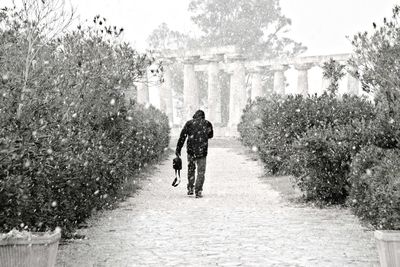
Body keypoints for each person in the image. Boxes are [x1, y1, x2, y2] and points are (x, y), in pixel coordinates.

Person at [175, 110, 213, 198]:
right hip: (202, 151)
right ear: (203, 116)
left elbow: (182, 136)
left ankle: (190, 188)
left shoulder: (189, 123)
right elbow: (211, 135)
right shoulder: (207, 124)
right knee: (201, 172)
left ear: (194, 116)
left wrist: (178, 148)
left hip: (191, 151)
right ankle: (198, 190)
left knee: (191, 169)